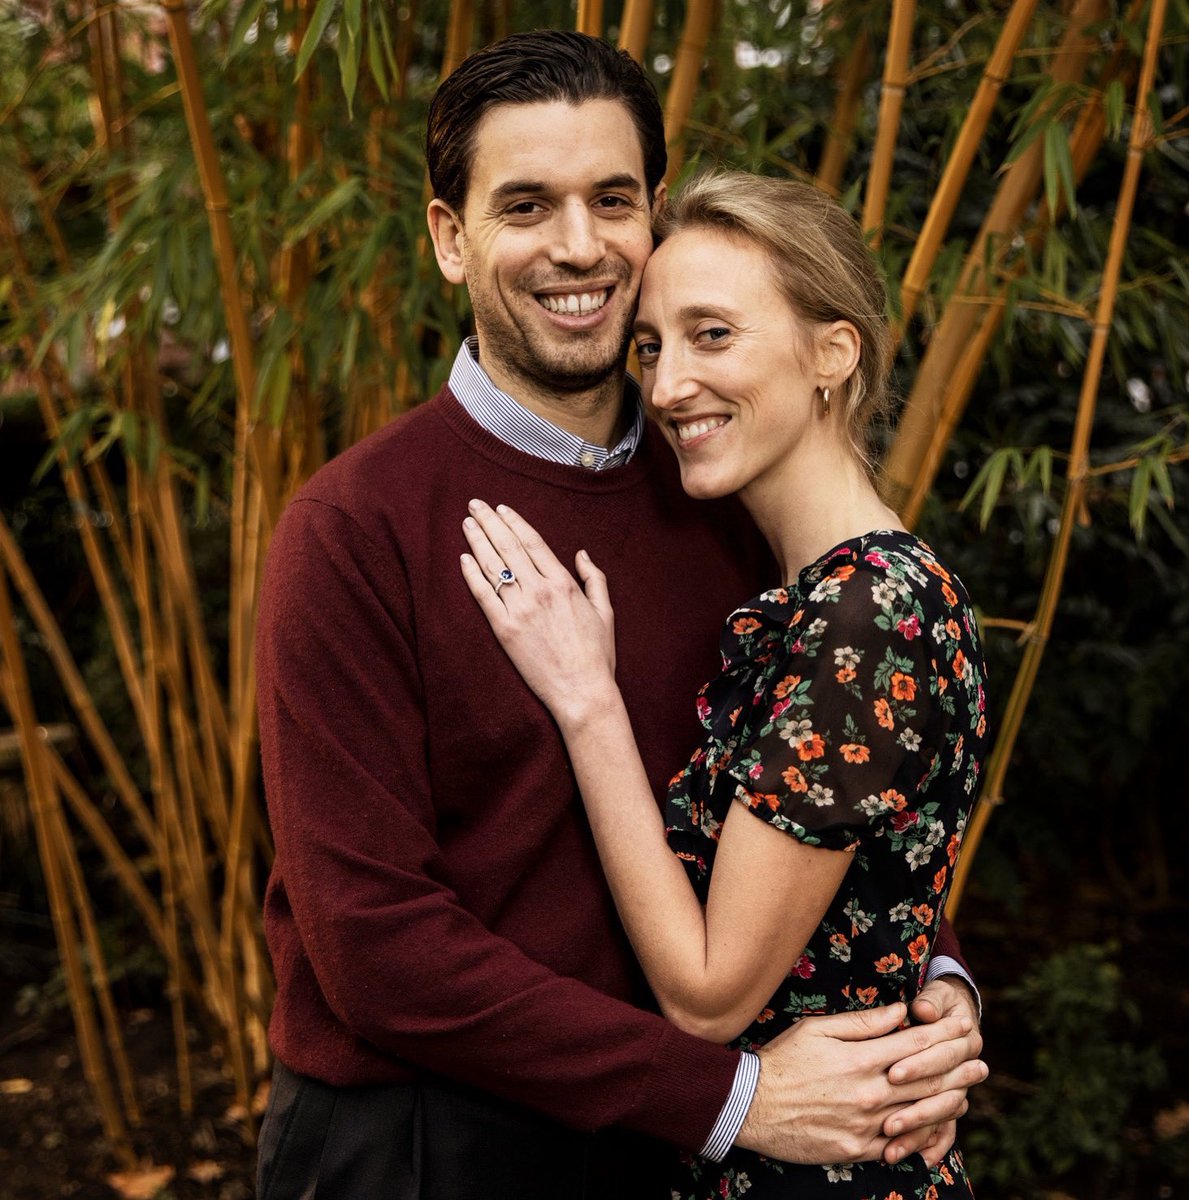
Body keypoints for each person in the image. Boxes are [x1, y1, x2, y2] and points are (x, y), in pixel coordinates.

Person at [254, 30, 986, 1200]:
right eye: (525, 205)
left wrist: (928, 988)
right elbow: (374, 945)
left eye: (610, 199)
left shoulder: (726, 491)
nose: (579, 245)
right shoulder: (354, 528)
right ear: (450, 238)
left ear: (653, 213)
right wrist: (725, 1099)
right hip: (435, 1143)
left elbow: (822, 797)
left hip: (678, 1136)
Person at [459, 170, 988, 1200]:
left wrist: (587, 702)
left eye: (712, 335)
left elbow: (707, 997)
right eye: (651, 347)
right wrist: (943, 984)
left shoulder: (863, 617)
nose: (665, 388)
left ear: (832, 354)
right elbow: (875, 887)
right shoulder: (845, 593)